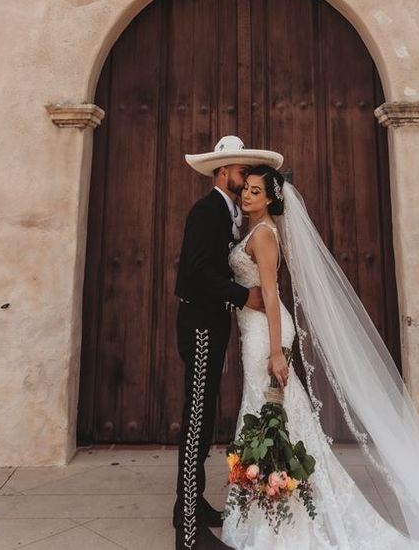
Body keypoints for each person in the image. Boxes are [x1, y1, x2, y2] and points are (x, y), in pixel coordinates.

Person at [222, 165, 419, 550]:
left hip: (265, 336)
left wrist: (277, 351)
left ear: (271, 198)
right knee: (273, 416)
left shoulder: (263, 235)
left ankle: (279, 519)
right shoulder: (256, 232)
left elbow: (273, 296)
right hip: (254, 333)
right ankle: (269, 507)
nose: (246, 196)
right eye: (245, 190)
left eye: (255, 192)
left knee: (270, 413)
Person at [174, 136, 283, 550]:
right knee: (196, 420)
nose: (245, 179)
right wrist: (242, 296)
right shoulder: (207, 212)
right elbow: (194, 273)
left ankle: (195, 505)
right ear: (224, 173)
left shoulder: (229, 214)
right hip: (201, 324)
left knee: (202, 419)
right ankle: (187, 531)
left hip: (213, 325)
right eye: (241, 172)